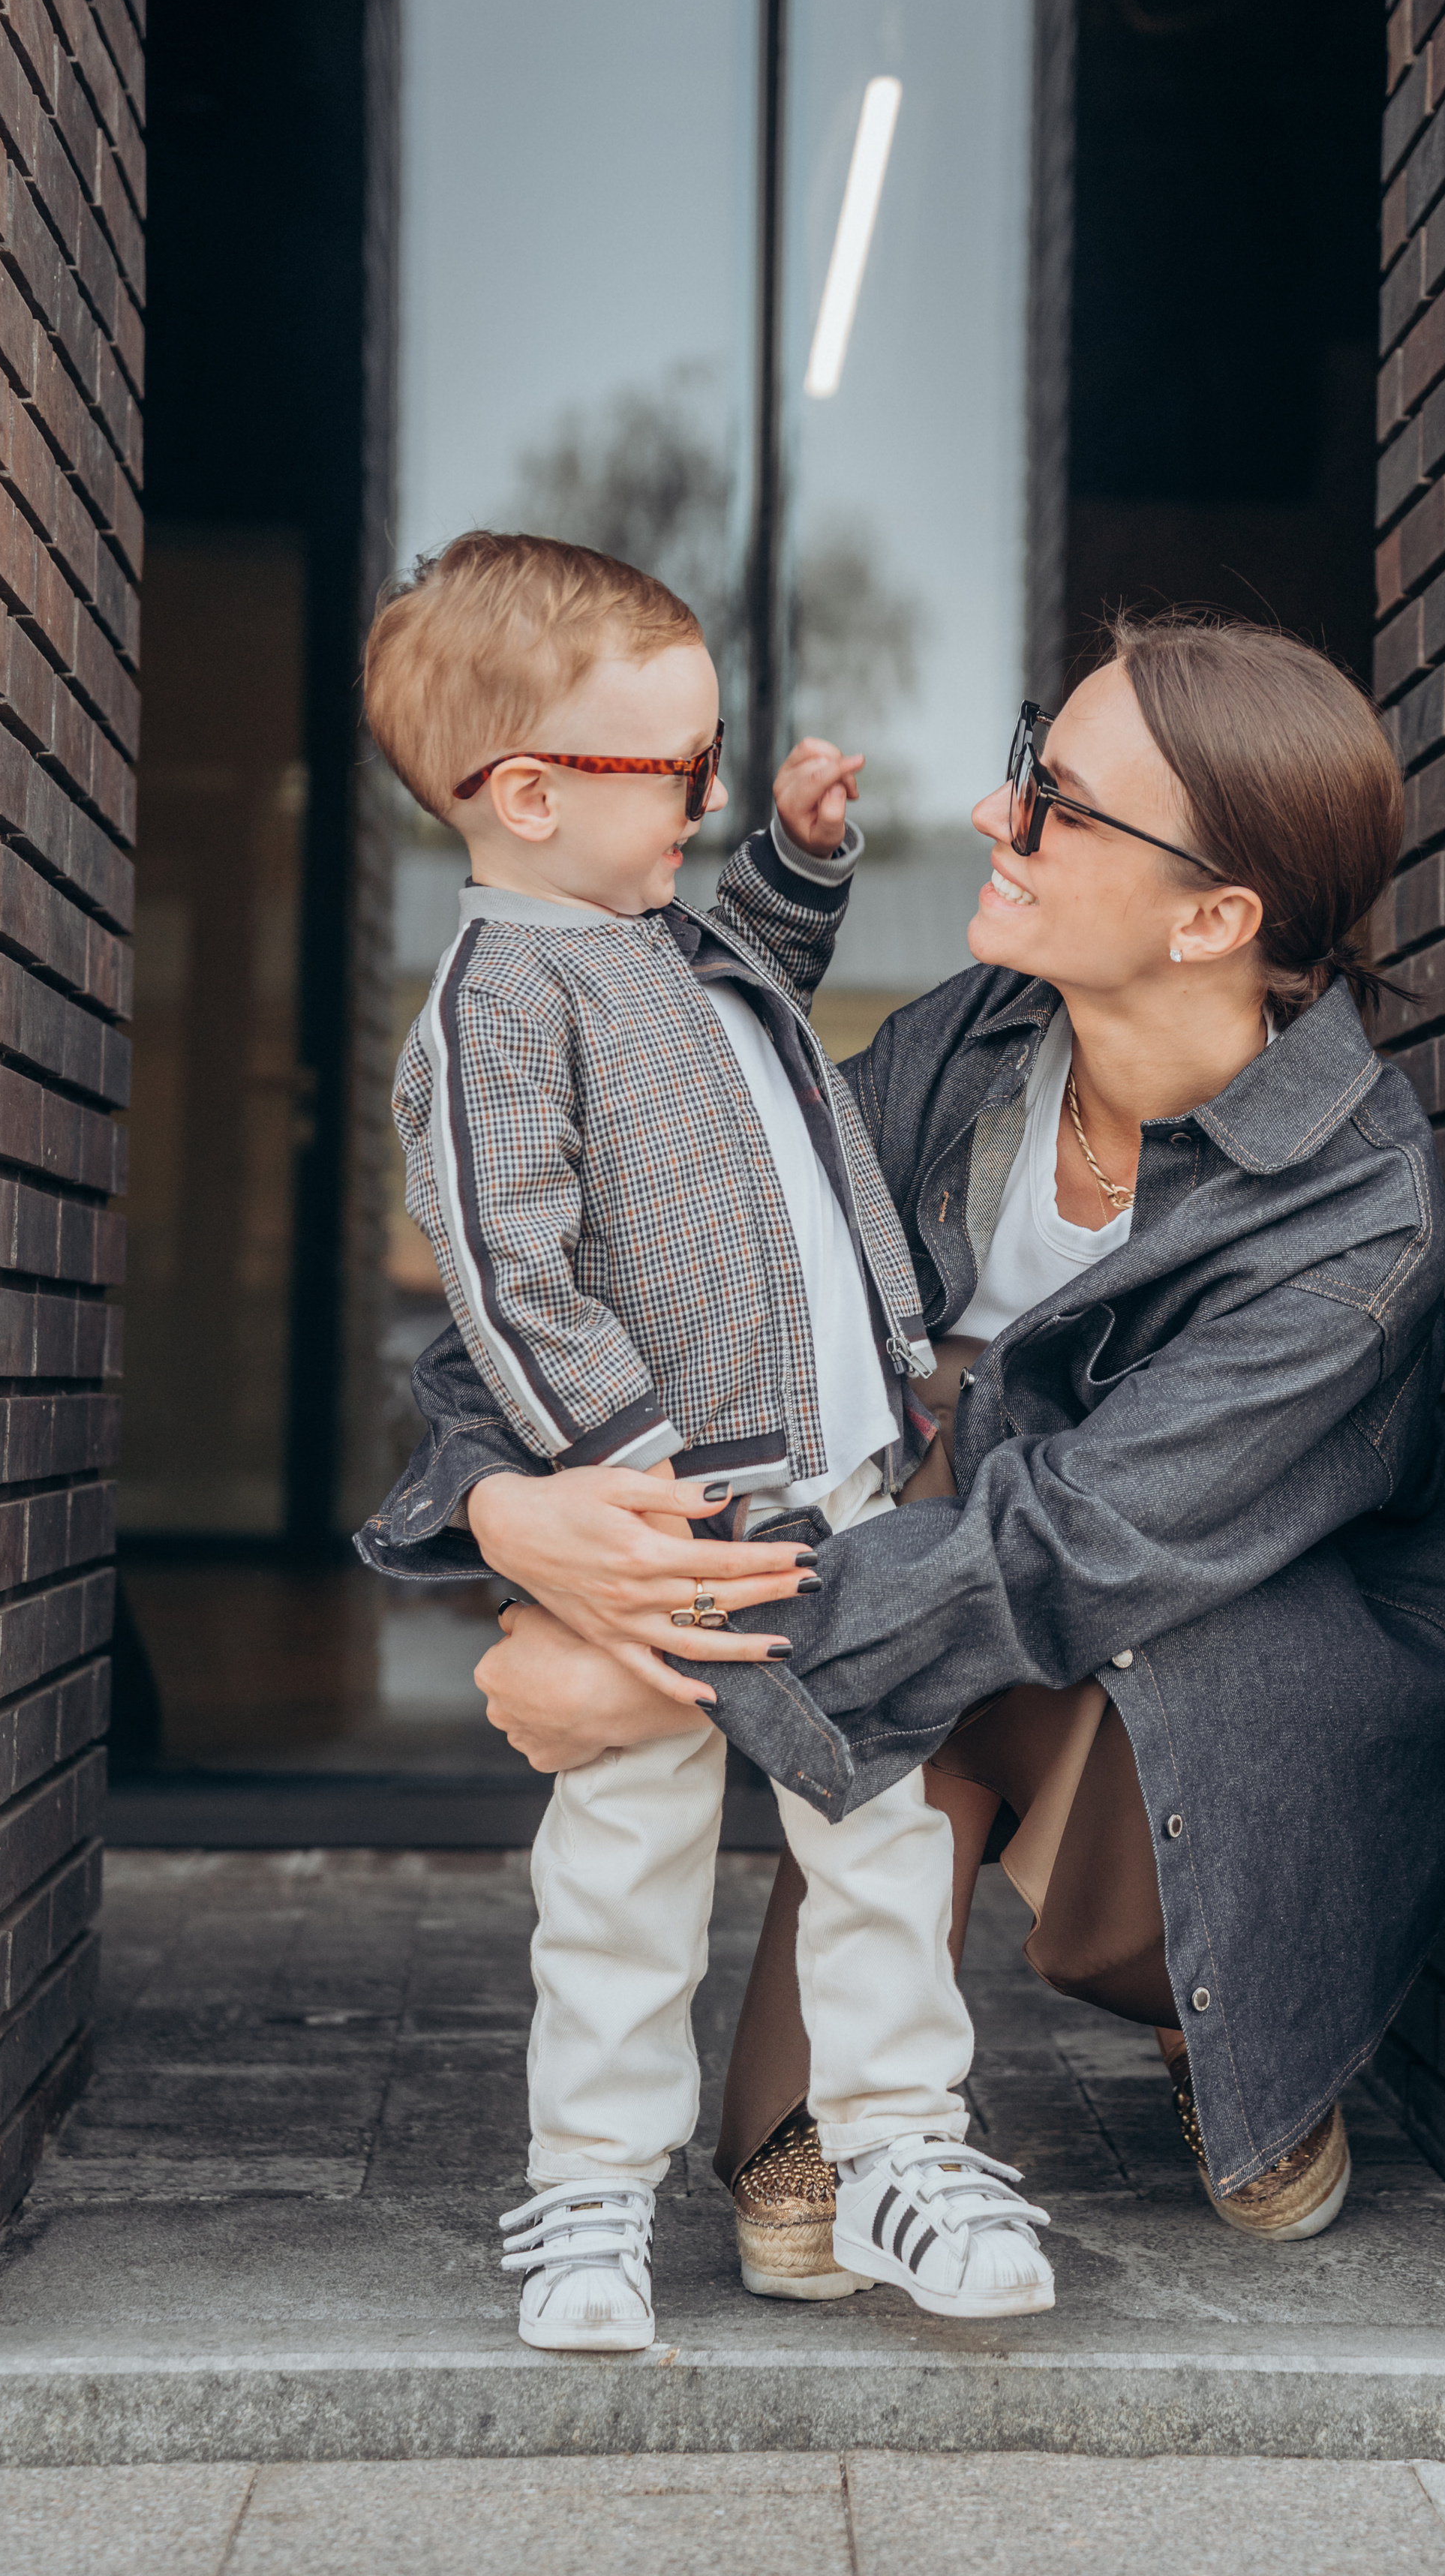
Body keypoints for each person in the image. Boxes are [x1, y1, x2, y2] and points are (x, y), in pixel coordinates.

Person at [365, 611, 1445, 2268]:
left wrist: (660, 1656)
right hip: (942, 1607)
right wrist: (506, 1509)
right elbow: (679, 1264)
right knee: (791, 2205)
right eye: (1026, 760)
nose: (994, 811)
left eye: (1058, 800)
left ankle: (1231, 2003)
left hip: (1220, 1650)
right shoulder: (966, 1042)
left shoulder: (1354, 1214)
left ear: (1212, 915)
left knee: (1087, 1613)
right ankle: (900, 2067)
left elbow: (1073, 1547)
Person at [359, 531, 1056, 2352]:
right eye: (677, 770)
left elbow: (754, 956)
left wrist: (800, 860)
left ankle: (901, 2146)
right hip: (674, 1511)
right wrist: (639, 1481)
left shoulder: (667, 936)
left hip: (834, 1482)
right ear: (523, 795)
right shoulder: (498, 1008)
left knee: (885, 1827)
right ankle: (590, 2189)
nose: (711, 789)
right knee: (624, 1850)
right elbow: (509, 1279)